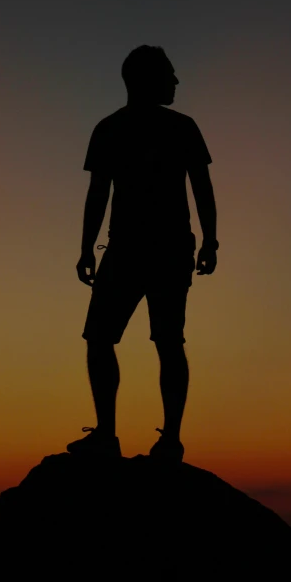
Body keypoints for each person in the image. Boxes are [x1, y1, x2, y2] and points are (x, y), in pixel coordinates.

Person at [67, 45, 218, 461]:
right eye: (169, 74)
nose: (176, 81)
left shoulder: (123, 128)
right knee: (122, 339)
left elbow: (201, 187)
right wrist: (85, 247)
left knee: (149, 340)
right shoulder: (127, 129)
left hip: (150, 249)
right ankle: (131, 436)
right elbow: (99, 192)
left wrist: (210, 239)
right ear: (146, 79)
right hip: (143, 249)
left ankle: (149, 437)